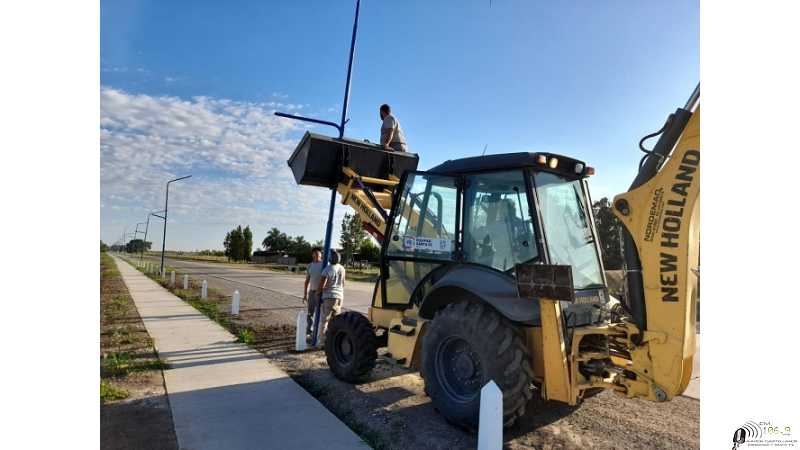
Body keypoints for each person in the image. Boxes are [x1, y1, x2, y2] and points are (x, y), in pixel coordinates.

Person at [316, 250, 346, 346]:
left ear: (329, 258)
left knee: (324, 321)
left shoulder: (327, 269)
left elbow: (322, 285)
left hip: (329, 297)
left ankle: (322, 343)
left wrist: (318, 293)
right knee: (336, 321)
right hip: (339, 297)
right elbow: (343, 283)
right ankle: (334, 342)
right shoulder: (342, 268)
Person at [303, 247, 324, 339]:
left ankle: (320, 332)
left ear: (321, 255)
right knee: (310, 313)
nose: (316, 255)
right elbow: (307, 281)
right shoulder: (310, 266)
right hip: (312, 292)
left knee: (321, 313)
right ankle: (309, 331)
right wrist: (305, 294)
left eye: (318, 254)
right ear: (312, 255)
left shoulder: (324, 264)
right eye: (315, 254)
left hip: (322, 293)